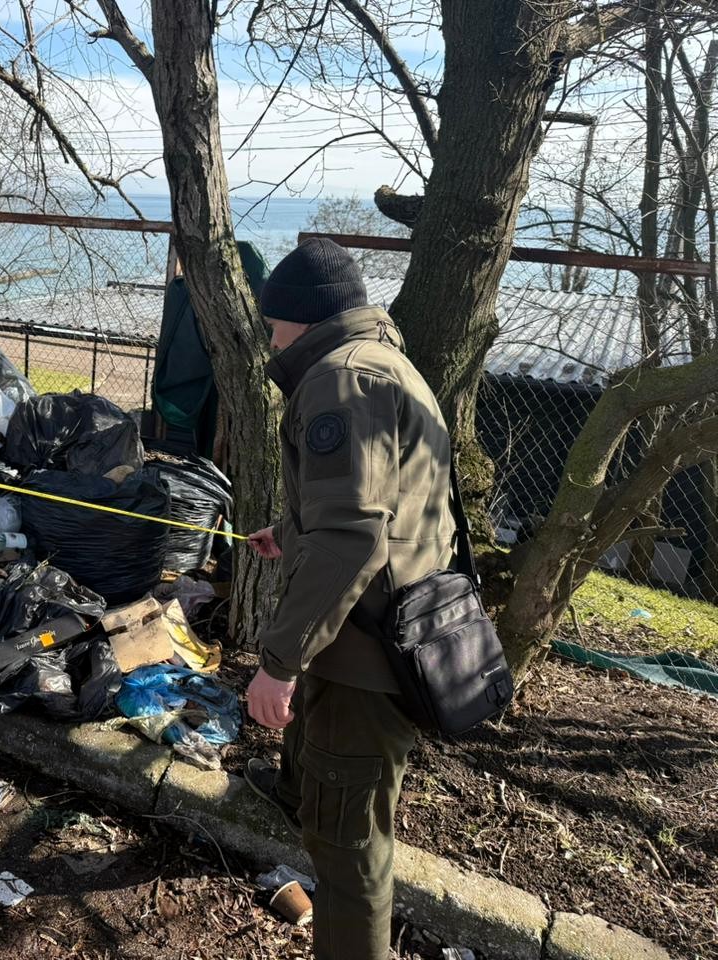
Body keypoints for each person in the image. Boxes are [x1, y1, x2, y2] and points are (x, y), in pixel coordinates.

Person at [243, 237, 453, 960]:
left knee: (348, 850)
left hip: (363, 656)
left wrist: (279, 661)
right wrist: (295, 528)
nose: (271, 340)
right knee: (342, 820)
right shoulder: (387, 363)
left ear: (303, 319)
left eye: (275, 326)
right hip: (396, 635)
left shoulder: (339, 381)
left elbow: (354, 543)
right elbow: (378, 511)